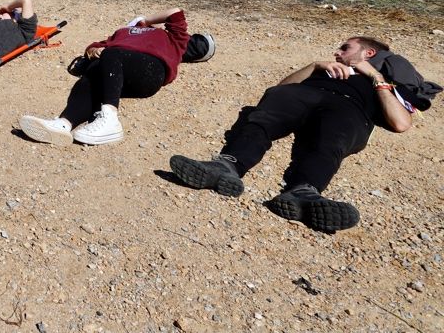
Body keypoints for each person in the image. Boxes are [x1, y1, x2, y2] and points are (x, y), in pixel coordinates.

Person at [168, 37, 438, 233]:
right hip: (302, 94)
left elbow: (401, 123)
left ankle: (303, 193)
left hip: (349, 110)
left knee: (328, 142)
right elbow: (275, 92)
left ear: (368, 52)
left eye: (345, 47)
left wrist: (375, 77)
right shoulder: (323, 69)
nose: (337, 51)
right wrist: (314, 66)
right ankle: (226, 167)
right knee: (263, 119)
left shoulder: (385, 83)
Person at [19, 9, 213, 146]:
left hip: (150, 71)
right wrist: (93, 50)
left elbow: (175, 12)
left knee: (112, 55)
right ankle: (63, 124)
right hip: (118, 70)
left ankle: (110, 120)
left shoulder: (172, 39)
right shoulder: (120, 33)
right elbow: (95, 46)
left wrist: (148, 21)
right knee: (91, 76)